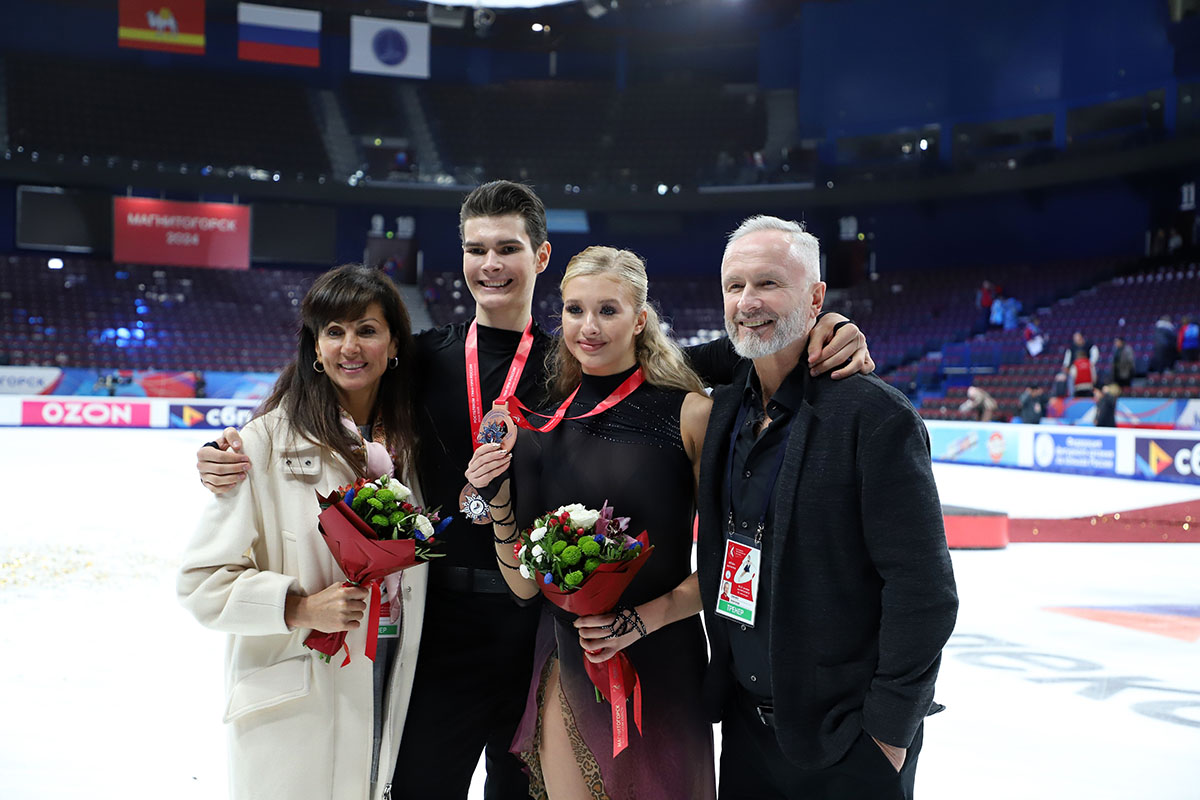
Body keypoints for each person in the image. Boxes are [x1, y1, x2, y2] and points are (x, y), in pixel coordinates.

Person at [194, 181, 876, 800]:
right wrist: (236, 442)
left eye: (508, 248)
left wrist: (822, 325)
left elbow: (691, 360)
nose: (491, 263)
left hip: (540, 623)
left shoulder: (571, 363)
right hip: (443, 625)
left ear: (540, 257)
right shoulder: (424, 356)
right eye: (476, 248)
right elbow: (336, 375)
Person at [696, 216, 958, 800]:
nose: (747, 301)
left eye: (769, 283)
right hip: (745, 731)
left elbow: (924, 591)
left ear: (816, 296)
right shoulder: (726, 405)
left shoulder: (874, 417)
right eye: (734, 286)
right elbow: (658, 358)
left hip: (846, 742)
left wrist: (887, 736)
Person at [466, 246, 716, 799]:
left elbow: (735, 564)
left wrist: (646, 619)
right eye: (575, 310)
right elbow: (524, 585)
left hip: (665, 663)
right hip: (571, 660)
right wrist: (499, 499)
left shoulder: (692, 415)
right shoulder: (537, 428)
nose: (589, 327)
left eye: (608, 310)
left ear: (640, 319)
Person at [177, 265, 425, 800]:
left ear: (394, 343)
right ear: (314, 347)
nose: (349, 346)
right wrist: (299, 608)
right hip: (298, 691)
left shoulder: (417, 446)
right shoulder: (261, 443)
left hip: (395, 676)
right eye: (333, 331)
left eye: (366, 329)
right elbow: (201, 583)